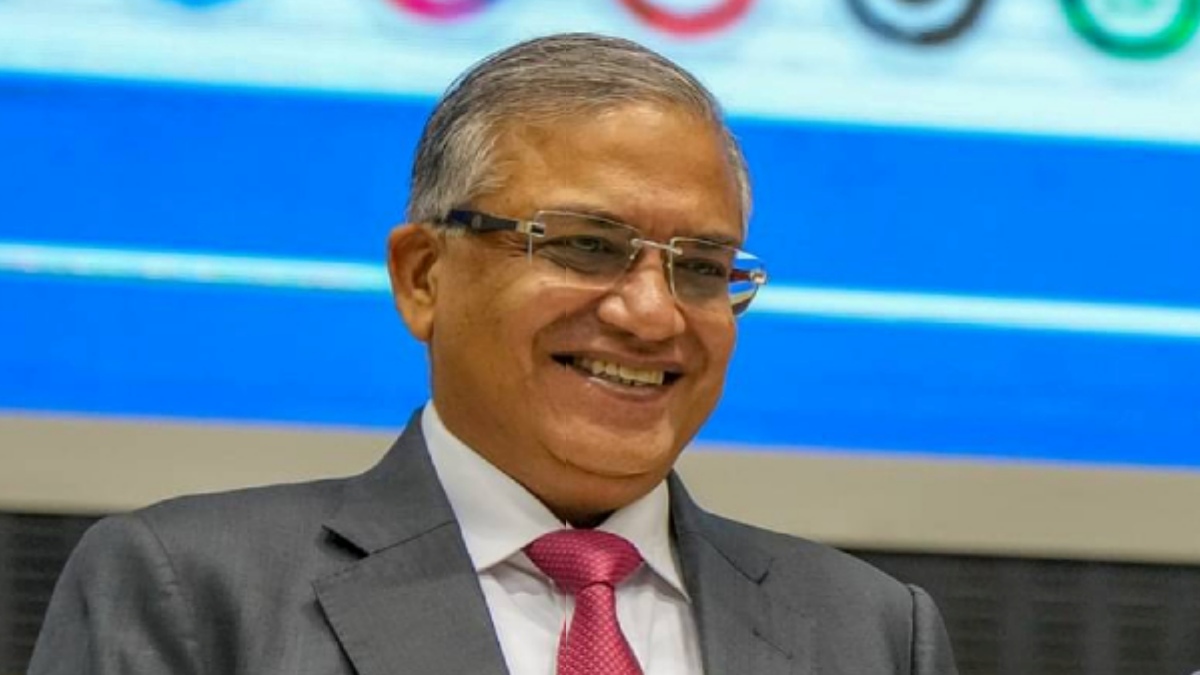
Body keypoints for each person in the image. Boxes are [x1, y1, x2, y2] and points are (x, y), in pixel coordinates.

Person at [30, 33, 958, 675]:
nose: (652, 313)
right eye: (585, 245)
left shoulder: (872, 631)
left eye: (703, 267)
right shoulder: (193, 589)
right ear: (423, 275)